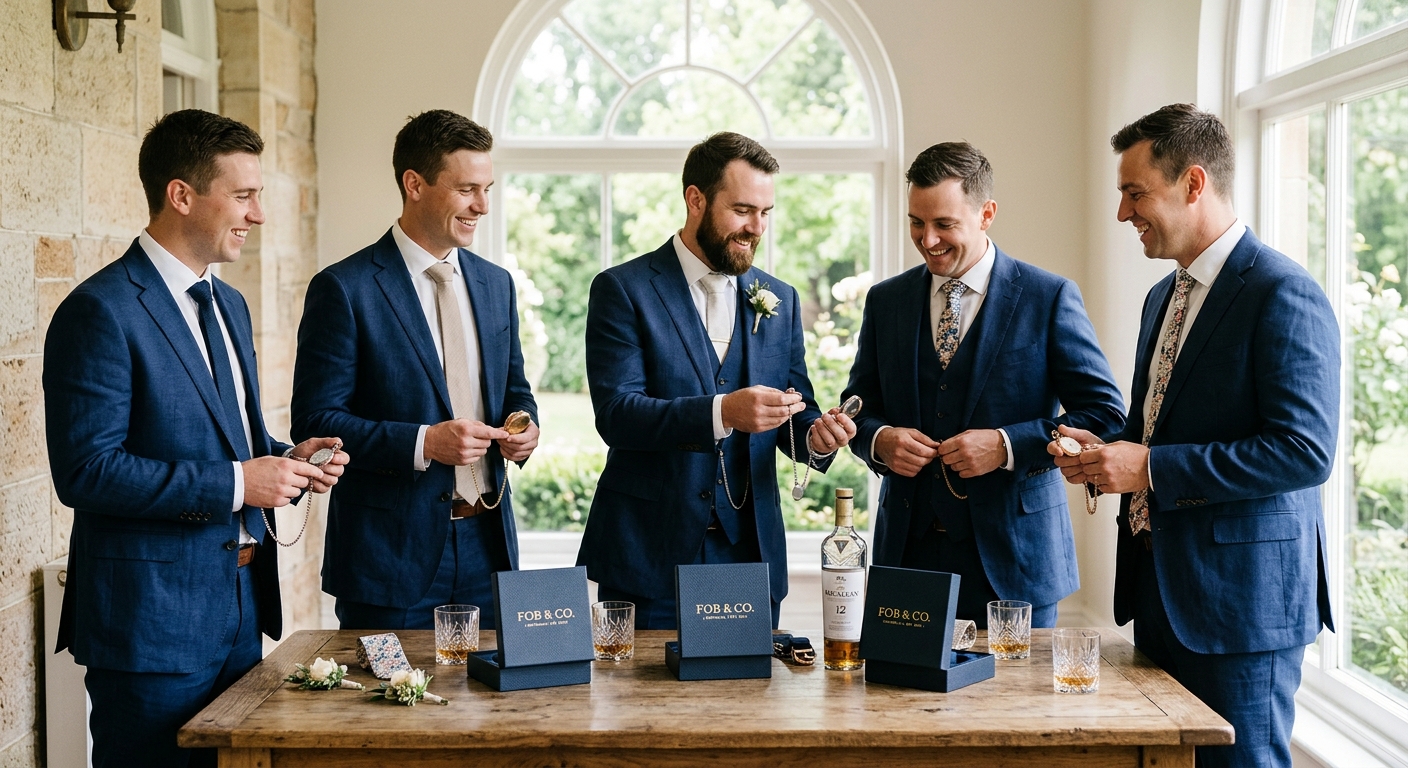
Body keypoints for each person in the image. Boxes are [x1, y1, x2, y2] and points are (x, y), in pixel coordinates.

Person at [44, 109, 347, 768]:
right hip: (149, 626)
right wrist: (242, 482)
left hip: (239, 609)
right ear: (181, 195)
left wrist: (283, 460)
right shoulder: (99, 312)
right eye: (243, 196)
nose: (258, 214)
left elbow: (226, 433)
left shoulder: (229, 303)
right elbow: (87, 471)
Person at [1050, 103, 1337, 768]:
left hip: (1242, 609)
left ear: (1195, 183)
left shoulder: (1282, 291)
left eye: (1135, 192)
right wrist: (1100, 451)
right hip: (1160, 593)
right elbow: (1157, 426)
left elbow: (1305, 450)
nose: (1123, 213)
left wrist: (1149, 469)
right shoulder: (1162, 296)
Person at [577, 132, 855, 629]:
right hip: (649, 554)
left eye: (766, 213)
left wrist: (815, 434)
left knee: (751, 705)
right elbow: (617, 415)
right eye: (743, 210)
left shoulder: (780, 299)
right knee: (648, 703)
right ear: (695, 199)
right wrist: (722, 412)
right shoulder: (623, 289)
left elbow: (797, 404)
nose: (756, 227)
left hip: (751, 552)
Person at [841, 142, 1124, 627]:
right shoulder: (886, 301)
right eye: (916, 222)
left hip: (1017, 560)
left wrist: (1007, 444)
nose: (927, 240)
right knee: (900, 701)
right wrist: (879, 440)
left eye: (944, 224)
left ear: (986, 213)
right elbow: (857, 407)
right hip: (908, 554)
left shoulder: (1048, 297)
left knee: (1019, 703)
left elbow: (1104, 415)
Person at [292, 110, 538, 631]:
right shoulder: (344, 288)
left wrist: (525, 427)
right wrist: (425, 443)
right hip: (388, 561)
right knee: (386, 711)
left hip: (489, 549)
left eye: (488, 188)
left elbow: (516, 387)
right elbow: (316, 421)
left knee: (490, 708)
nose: (483, 206)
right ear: (415, 184)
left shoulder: (497, 285)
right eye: (468, 189)